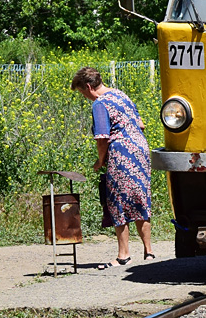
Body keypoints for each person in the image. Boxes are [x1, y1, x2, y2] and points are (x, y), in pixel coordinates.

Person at [71, 67, 153, 268]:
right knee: (140, 198)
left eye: (83, 93)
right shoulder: (120, 94)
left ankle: (123, 255)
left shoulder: (100, 104)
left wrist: (100, 161)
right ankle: (149, 251)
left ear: (89, 87)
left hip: (121, 153)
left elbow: (102, 138)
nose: (85, 97)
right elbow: (141, 124)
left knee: (118, 201)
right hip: (141, 150)